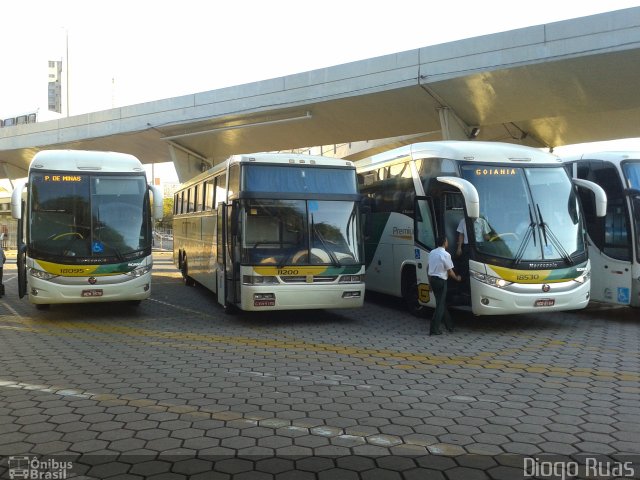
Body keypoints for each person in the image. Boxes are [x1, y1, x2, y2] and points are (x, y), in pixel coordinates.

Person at [427, 235, 462, 336]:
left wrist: (429, 283)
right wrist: (457, 278)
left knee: (441, 304)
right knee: (440, 306)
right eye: (447, 241)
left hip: (433, 280)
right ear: (444, 243)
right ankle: (434, 329)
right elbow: (450, 272)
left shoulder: (432, 253)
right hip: (441, 282)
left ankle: (450, 326)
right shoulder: (446, 255)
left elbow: (428, 268)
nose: (448, 242)